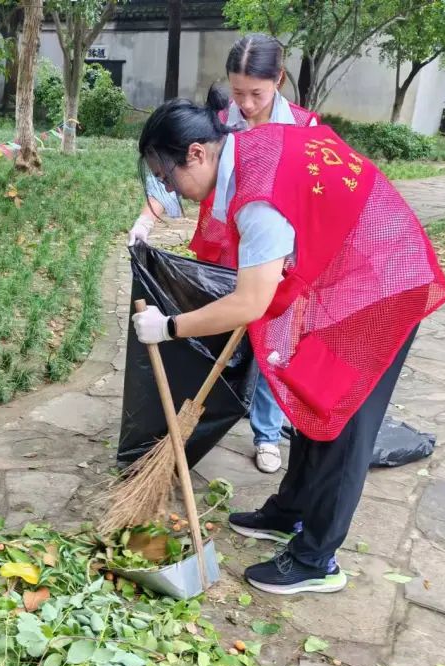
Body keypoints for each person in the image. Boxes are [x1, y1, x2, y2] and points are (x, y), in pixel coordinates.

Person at [130, 91, 445, 595]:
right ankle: (290, 510)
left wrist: (170, 326)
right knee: (309, 394)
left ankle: (316, 560)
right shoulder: (248, 149)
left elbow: (248, 303)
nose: (171, 190)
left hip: (381, 285)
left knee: (344, 420)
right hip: (347, 274)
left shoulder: (258, 199)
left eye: (167, 176)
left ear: (197, 153)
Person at [129, 34, 317, 474]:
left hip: (276, 249)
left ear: (279, 80)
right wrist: (146, 219)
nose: (246, 104)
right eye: (237, 92)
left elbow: (302, 205)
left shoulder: (301, 127)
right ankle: (202, 415)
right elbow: (175, 170)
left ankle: (267, 433)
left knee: (274, 338)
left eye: (257, 93)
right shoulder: (218, 122)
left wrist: (168, 326)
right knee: (221, 331)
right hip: (225, 241)